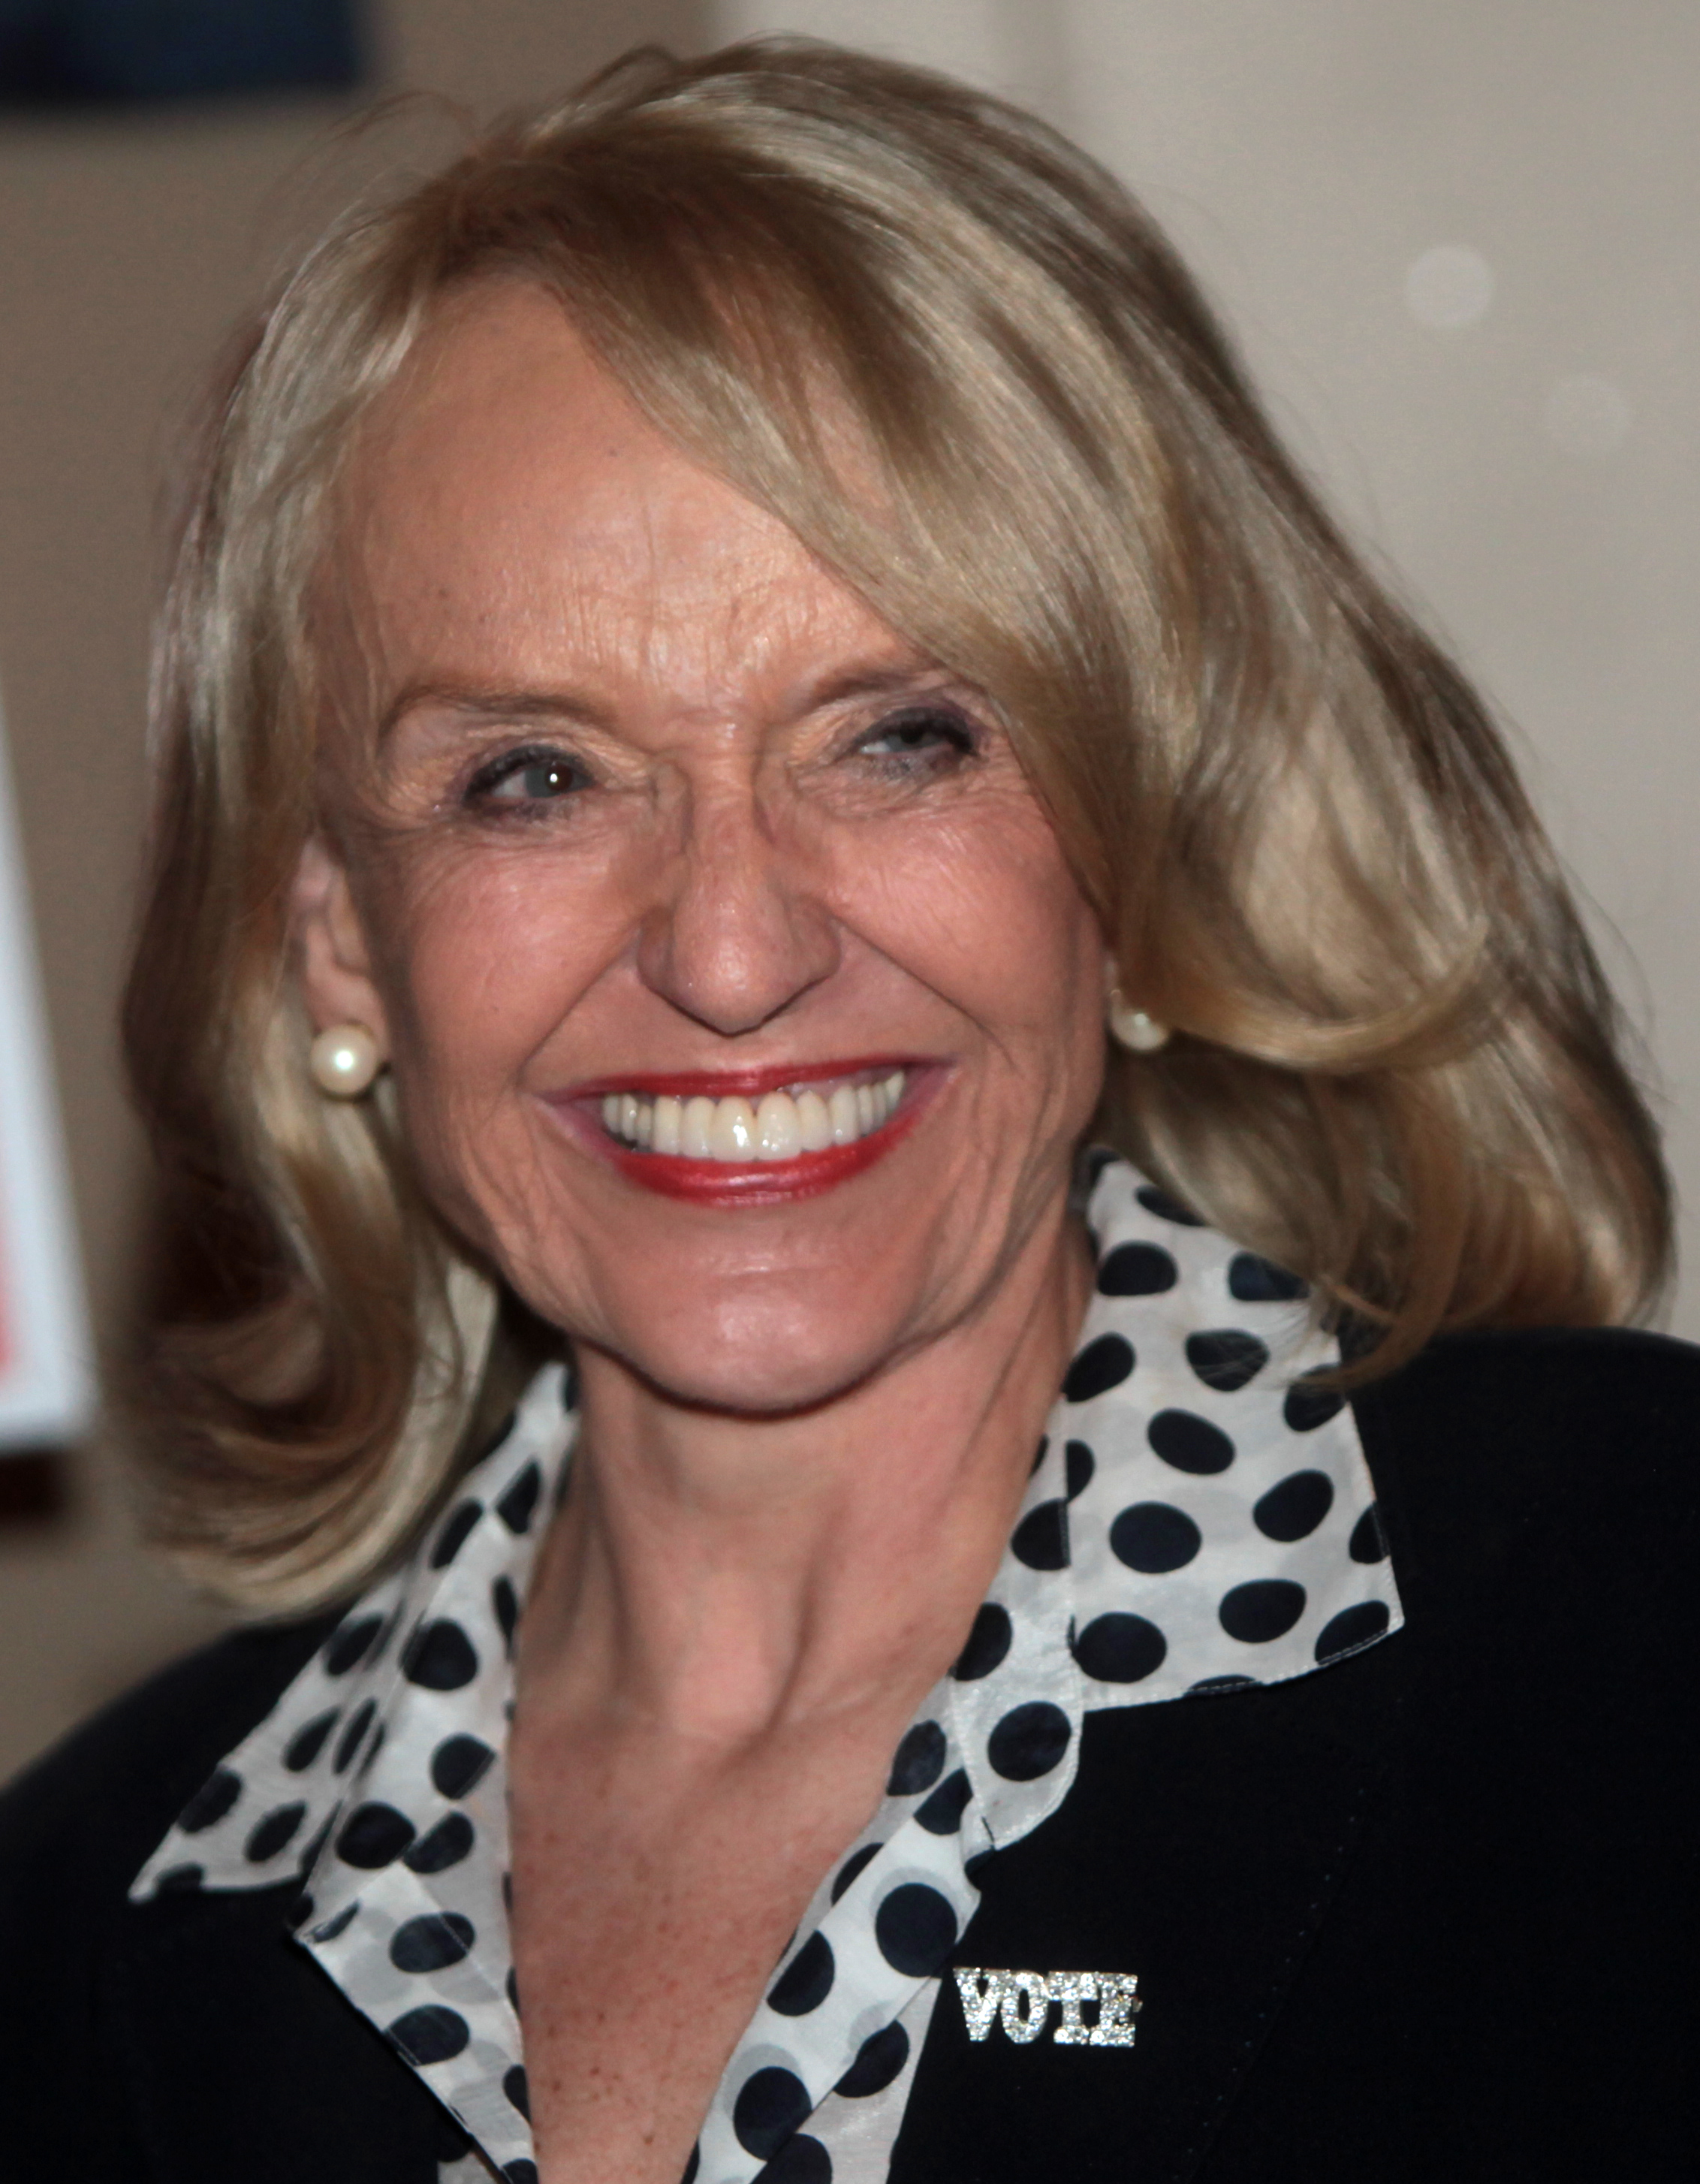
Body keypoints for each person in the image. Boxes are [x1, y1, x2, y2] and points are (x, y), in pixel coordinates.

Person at [0, 36, 1693, 2184]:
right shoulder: (68, 1935)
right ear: (338, 941)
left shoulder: (1632, 1635)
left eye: (900, 738)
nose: (731, 951)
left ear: (1137, 848)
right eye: (535, 776)